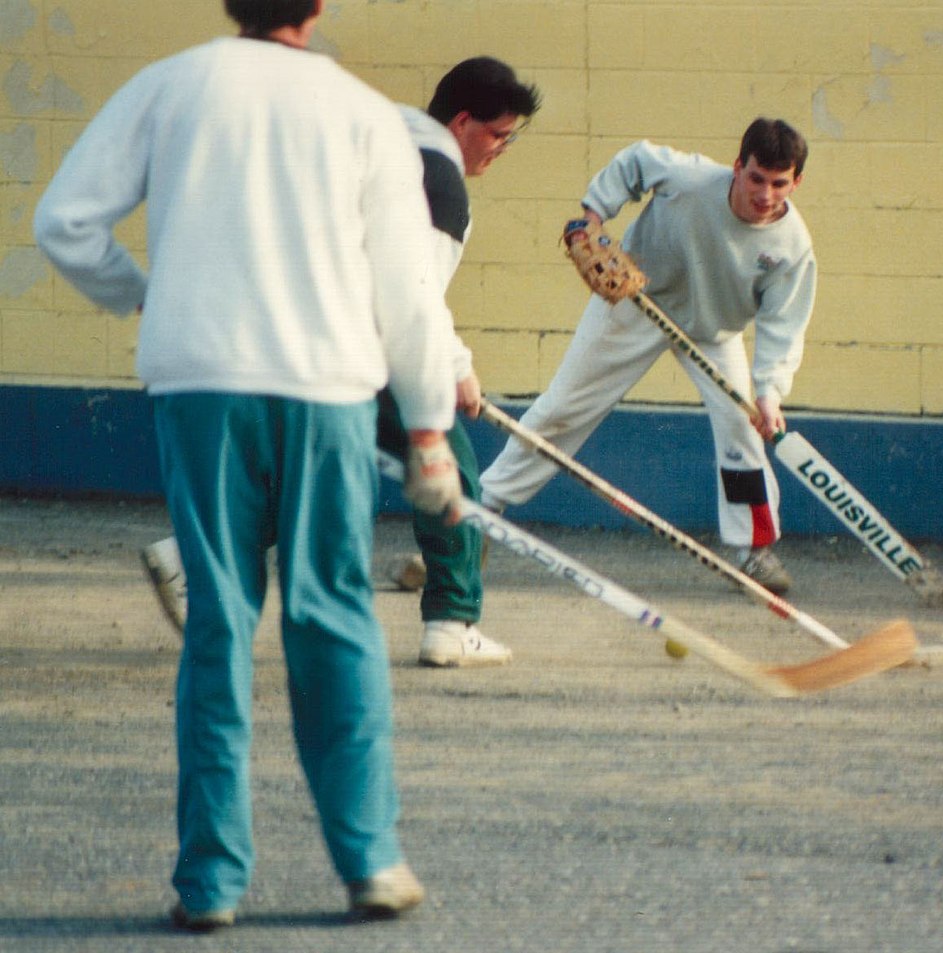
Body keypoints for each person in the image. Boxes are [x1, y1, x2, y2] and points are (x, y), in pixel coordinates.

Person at [34, 0, 461, 931]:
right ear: (318, 8)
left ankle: (211, 880)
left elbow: (63, 222)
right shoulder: (362, 113)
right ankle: (372, 860)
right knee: (335, 613)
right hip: (329, 389)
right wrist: (428, 429)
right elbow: (410, 290)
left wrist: (148, 299)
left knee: (219, 622)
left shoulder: (171, 85)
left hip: (202, 387)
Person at [141, 56, 541, 669]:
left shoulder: (385, 131)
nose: (501, 150)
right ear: (463, 121)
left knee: (321, 471)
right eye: (498, 136)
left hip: (284, 330)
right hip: (357, 340)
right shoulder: (438, 183)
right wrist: (454, 367)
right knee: (452, 469)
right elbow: (413, 297)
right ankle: (453, 624)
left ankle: (188, 559)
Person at [479, 118, 817, 595]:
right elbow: (635, 160)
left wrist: (770, 394)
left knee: (744, 429)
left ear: (796, 182)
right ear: (738, 167)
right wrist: (595, 215)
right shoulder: (692, 179)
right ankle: (475, 518)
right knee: (562, 409)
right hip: (637, 303)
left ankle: (751, 552)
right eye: (757, 178)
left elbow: (784, 323)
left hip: (712, 328)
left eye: (780, 184)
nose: (765, 194)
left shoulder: (792, 246)